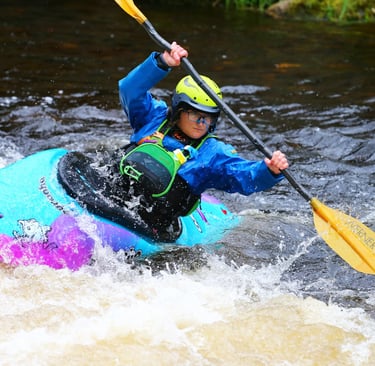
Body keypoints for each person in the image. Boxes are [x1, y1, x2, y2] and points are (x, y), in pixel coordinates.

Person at [115, 42, 289, 240]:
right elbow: (129, 89)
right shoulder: (153, 116)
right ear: (179, 109)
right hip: (115, 196)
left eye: (208, 117)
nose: (201, 123)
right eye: (194, 114)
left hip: (150, 223)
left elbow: (244, 176)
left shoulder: (212, 153)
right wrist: (162, 63)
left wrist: (269, 170)